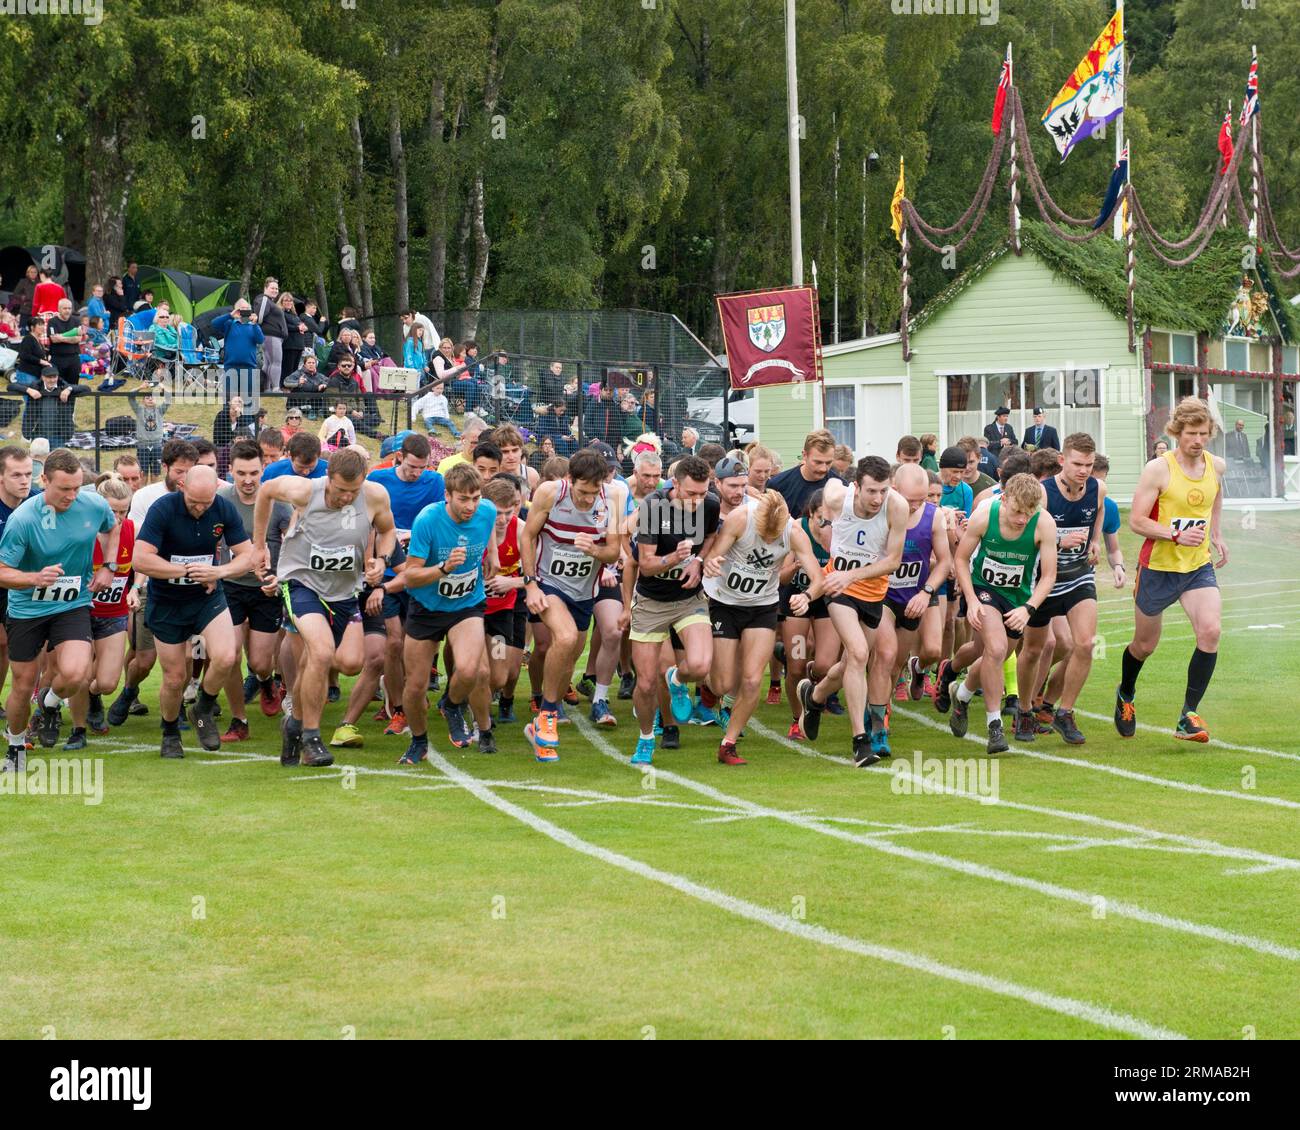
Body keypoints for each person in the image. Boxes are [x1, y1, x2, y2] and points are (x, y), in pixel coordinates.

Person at [254, 448, 396, 768]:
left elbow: (387, 532)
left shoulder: (374, 496)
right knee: (321, 652)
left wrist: (380, 560)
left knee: (311, 664)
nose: (346, 497)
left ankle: (294, 724)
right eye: (340, 490)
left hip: (343, 592)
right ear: (327, 477)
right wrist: (259, 546)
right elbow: (265, 491)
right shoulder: (304, 490)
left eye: (353, 491)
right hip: (300, 583)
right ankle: (312, 736)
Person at [0, 449, 120, 767]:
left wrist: (109, 566)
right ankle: (15, 745)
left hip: (72, 603)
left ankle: (50, 702)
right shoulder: (23, 520)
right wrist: (32, 578)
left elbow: (112, 528)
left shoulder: (93, 505)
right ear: (44, 481)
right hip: (27, 609)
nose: (71, 496)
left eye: (76, 487)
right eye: (63, 489)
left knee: (77, 673)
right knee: (23, 683)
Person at [1118, 398, 1228, 743]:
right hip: (1158, 567)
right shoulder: (1158, 469)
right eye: (1191, 433)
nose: (1198, 440)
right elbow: (1136, 521)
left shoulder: (1217, 466)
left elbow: (1215, 497)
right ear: (1177, 432)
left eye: (1204, 433)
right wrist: (1175, 534)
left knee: (1210, 631)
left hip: (1197, 567)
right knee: (1145, 645)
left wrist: (1217, 534)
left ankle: (1187, 715)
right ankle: (1126, 693)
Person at [132, 465, 255, 758]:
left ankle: (202, 707)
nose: (200, 508)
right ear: (182, 485)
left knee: (227, 656)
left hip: (207, 596)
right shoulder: (163, 509)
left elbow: (248, 555)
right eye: (194, 502)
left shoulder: (223, 508)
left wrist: (219, 571)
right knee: (175, 677)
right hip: (167, 602)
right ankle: (170, 731)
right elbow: (140, 560)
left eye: (206, 502)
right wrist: (186, 571)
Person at [796, 455, 908, 767]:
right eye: (871, 491)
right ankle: (861, 741)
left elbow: (893, 561)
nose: (878, 498)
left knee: (848, 666)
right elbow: (830, 485)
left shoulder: (896, 507)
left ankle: (815, 696)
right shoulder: (838, 497)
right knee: (859, 654)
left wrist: (853, 575)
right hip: (838, 588)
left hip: (872, 591)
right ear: (856, 487)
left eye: (883, 491)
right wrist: (840, 569)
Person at [704, 488, 825, 765]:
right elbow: (712, 557)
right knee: (723, 683)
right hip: (726, 602)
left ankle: (728, 743)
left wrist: (806, 597)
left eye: (774, 537)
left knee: (751, 679)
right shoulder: (739, 519)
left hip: (762, 607)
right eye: (764, 535)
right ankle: (708, 686)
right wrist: (711, 565)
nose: (769, 541)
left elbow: (818, 579)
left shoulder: (794, 532)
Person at [519, 450, 625, 760]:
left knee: (568, 656)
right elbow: (527, 537)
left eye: (593, 492)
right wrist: (530, 583)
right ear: (569, 480)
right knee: (563, 638)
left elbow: (614, 551)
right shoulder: (550, 493)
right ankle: (548, 715)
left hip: (584, 591)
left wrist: (593, 549)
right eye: (582, 492)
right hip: (549, 582)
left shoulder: (614, 498)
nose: (586, 499)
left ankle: (537, 726)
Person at [948, 473, 1058, 755]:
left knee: (994, 657)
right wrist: (971, 601)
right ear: (1005, 499)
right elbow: (960, 558)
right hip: (984, 590)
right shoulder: (985, 516)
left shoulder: (1044, 523)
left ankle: (961, 696)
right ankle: (994, 726)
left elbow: (1048, 576)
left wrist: (1028, 608)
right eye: (1017, 511)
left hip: (1018, 599)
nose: (1022, 519)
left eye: (1028, 512)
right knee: (996, 649)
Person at [399, 462, 498, 763]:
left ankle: (451, 704)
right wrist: (443, 568)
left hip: (466, 603)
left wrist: (491, 552)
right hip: (426, 607)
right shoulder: (427, 520)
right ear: (448, 496)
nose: (471, 506)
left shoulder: (488, 510)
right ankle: (418, 741)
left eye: (476, 498)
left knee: (472, 670)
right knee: (415, 687)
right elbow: (410, 576)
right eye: (463, 499)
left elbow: (488, 528)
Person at [625, 455, 721, 765]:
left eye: (702, 493)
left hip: (688, 598)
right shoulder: (653, 508)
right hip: (652, 601)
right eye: (691, 493)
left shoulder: (709, 504)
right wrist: (673, 557)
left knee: (700, 666)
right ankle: (645, 738)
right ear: (675, 484)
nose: (697, 500)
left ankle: (676, 680)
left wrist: (699, 560)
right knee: (645, 683)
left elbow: (711, 537)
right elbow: (646, 566)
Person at [1017, 433, 1107, 746]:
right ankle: (1025, 709)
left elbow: (1098, 519)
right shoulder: (1042, 493)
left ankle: (1064, 712)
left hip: (1079, 576)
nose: (1084, 470)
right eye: (1078, 464)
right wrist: (1057, 541)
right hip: (1043, 581)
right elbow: (1025, 536)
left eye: (1089, 464)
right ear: (1062, 461)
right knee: (1033, 651)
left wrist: (1094, 542)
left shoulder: (1097, 489)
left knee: (1084, 644)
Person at [365, 433, 446, 736]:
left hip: (419, 573)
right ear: (399, 456)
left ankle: (411, 693)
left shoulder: (435, 482)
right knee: (394, 642)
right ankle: (398, 708)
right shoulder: (378, 479)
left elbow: (440, 520)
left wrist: (416, 537)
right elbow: (368, 522)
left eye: (422, 467)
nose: (417, 473)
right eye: (412, 466)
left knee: (417, 645)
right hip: (385, 574)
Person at [217, 440, 292, 738]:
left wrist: (280, 578)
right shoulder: (221, 500)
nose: (248, 480)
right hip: (230, 586)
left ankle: (265, 681)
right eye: (241, 473)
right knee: (230, 655)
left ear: (264, 470)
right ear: (231, 471)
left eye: (254, 473)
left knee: (261, 661)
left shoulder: (278, 503)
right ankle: (239, 720)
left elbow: (291, 545)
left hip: (266, 589)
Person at [878, 462, 951, 718]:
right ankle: (879, 716)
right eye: (911, 500)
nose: (917, 505)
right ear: (894, 489)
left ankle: (914, 673)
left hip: (918, 594)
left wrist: (927, 591)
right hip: (882, 595)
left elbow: (945, 561)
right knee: (884, 658)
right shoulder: (880, 511)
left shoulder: (934, 515)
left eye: (922, 499)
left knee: (911, 657)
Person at [75, 474, 136, 739]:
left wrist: (136, 587)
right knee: (78, 672)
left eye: (123, 510)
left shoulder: (132, 530)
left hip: (114, 614)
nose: (119, 517)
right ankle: (60, 714)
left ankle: (92, 695)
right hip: (79, 612)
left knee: (108, 683)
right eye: (113, 511)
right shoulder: (81, 532)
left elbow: (144, 561)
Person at [769, 429, 840, 519]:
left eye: (828, 462)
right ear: (804, 455)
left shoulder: (840, 488)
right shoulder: (778, 485)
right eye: (818, 462)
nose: (823, 468)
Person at [21, 366, 89, 447]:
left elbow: (87, 388)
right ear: (43, 377)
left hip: (59, 434)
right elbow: (11, 386)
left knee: (57, 458)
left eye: (54, 377)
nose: (52, 380)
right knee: (38, 457)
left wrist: (69, 389)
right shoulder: (35, 386)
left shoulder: (64, 386)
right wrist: (29, 390)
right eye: (49, 377)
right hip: (38, 433)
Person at [211, 299, 265, 402]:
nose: (244, 311)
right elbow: (214, 324)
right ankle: (228, 418)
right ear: (236, 309)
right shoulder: (230, 324)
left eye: (247, 309)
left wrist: (255, 324)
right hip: (231, 367)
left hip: (249, 368)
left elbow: (260, 339)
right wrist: (230, 315)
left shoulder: (253, 326)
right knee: (229, 401)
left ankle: (247, 418)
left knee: (248, 402)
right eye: (241, 309)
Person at [127, 382, 170, 481]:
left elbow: (169, 398)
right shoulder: (139, 410)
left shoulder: (160, 410)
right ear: (143, 401)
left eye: (152, 397)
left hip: (157, 445)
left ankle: (153, 493)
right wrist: (140, 387)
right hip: (142, 445)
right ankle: (143, 493)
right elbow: (130, 396)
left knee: (155, 472)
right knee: (143, 472)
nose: (150, 399)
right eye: (147, 398)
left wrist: (162, 387)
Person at [252, 277, 286, 392]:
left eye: (276, 288)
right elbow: (259, 317)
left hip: (272, 336)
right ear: (265, 288)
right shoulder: (264, 299)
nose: (275, 290)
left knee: (268, 363)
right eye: (272, 288)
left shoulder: (269, 301)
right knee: (276, 362)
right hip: (271, 335)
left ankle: (267, 388)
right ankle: (276, 388)